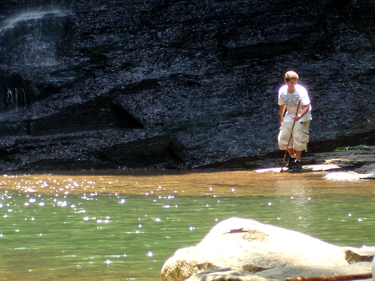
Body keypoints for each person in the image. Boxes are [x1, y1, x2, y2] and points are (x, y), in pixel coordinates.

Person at [278, 71, 312, 172]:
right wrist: (281, 116)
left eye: (295, 83)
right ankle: (292, 157)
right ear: (286, 81)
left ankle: (298, 161)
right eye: (291, 82)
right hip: (290, 114)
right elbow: (282, 104)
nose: (293, 85)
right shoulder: (282, 91)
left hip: (302, 115)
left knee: (298, 138)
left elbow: (307, 106)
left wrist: (299, 116)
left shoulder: (301, 91)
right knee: (284, 137)